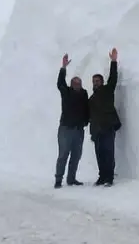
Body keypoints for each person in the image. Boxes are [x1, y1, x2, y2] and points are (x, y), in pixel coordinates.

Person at [54, 53, 89, 189]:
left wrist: (85, 122)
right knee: (63, 155)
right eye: (75, 83)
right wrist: (63, 68)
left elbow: (87, 109)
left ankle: (71, 178)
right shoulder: (66, 92)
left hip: (78, 130)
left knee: (76, 155)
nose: (77, 85)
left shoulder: (84, 94)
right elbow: (60, 83)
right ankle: (58, 179)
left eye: (79, 83)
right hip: (66, 129)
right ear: (71, 84)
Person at [89, 48, 122, 187]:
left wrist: (113, 61)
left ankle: (109, 178)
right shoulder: (90, 99)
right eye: (93, 81)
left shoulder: (107, 91)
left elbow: (113, 78)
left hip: (108, 128)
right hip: (97, 130)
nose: (95, 83)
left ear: (101, 82)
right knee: (99, 154)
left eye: (97, 80)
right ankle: (102, 176)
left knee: (109, 152)